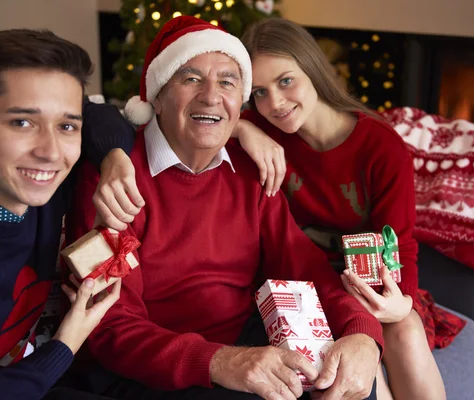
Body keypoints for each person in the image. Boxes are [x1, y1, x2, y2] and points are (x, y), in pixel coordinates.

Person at [67, 16, 383, 400]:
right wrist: (221, 362)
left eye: (228, 82)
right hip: (155, 369)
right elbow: (112, 327)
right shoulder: (113, 179)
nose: (212, 96)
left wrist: (361, 332)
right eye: (190, 78)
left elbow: (304, 264)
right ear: (158, 97)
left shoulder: (250, 169)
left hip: (244, 339)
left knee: (348, 384)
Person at [226, 18, 446, 400]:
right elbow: (200, 119)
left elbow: (401, 245)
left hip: (373, 279)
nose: (274, 103)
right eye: (259, 92)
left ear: (312, 68)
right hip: (304, 285)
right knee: (353, 363)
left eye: (285, 80)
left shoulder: (380, 146)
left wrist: (400, 301)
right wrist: (244, 130)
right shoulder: (261, 129)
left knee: (406, 330)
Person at [0, 29, 144, 400]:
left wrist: (113, 159)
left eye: (65, 127)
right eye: (22, 123)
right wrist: (65, 344)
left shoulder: (41, 181)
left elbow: (98, 114)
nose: (50, 152)